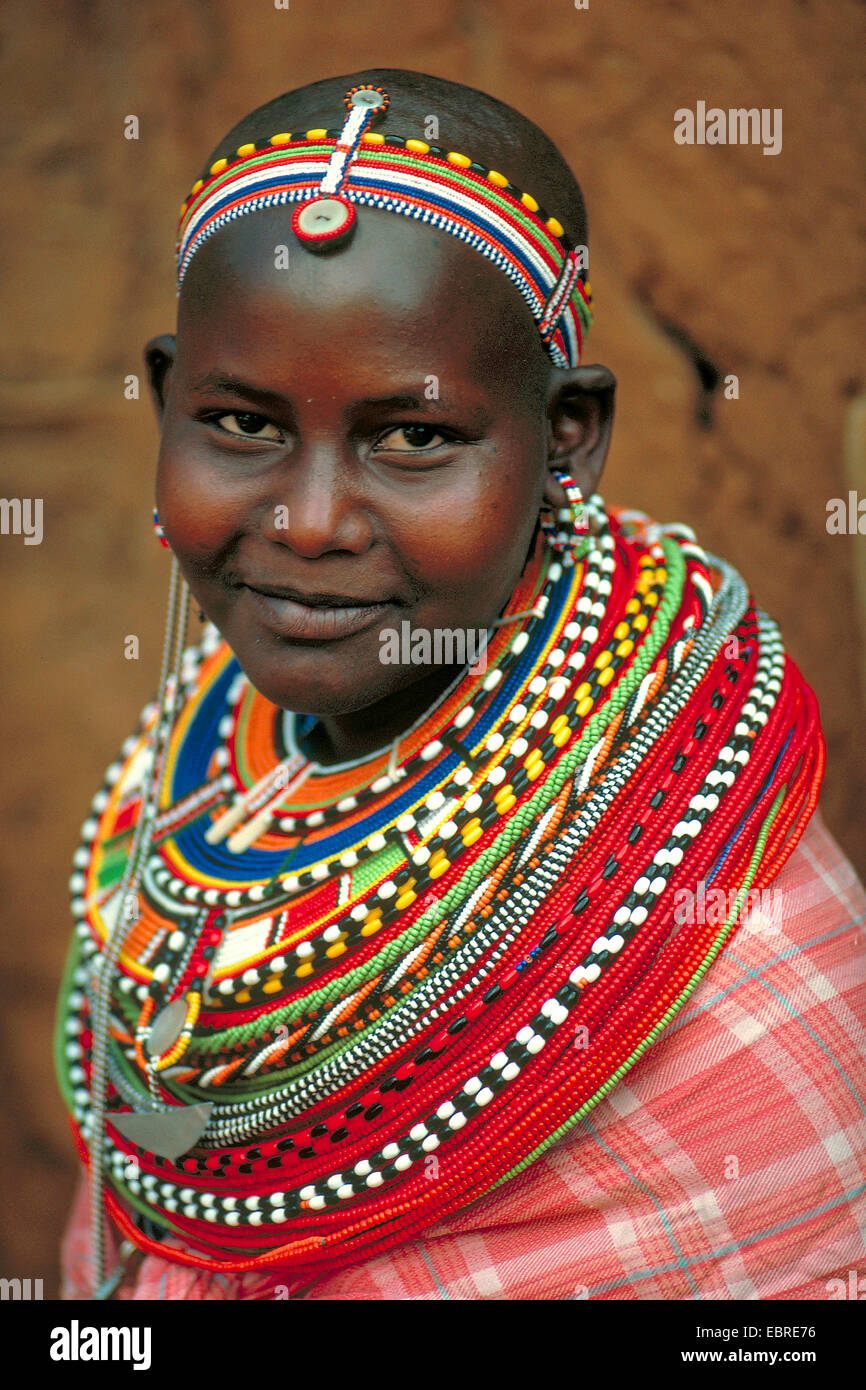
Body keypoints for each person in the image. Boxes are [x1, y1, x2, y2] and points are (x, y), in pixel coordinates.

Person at [56, 68, 866, 1301]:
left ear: (565, 439)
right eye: (242, 424)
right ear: (167, 398)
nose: (310, 522)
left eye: (413, 437)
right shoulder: (225, 764)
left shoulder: (726, 957)